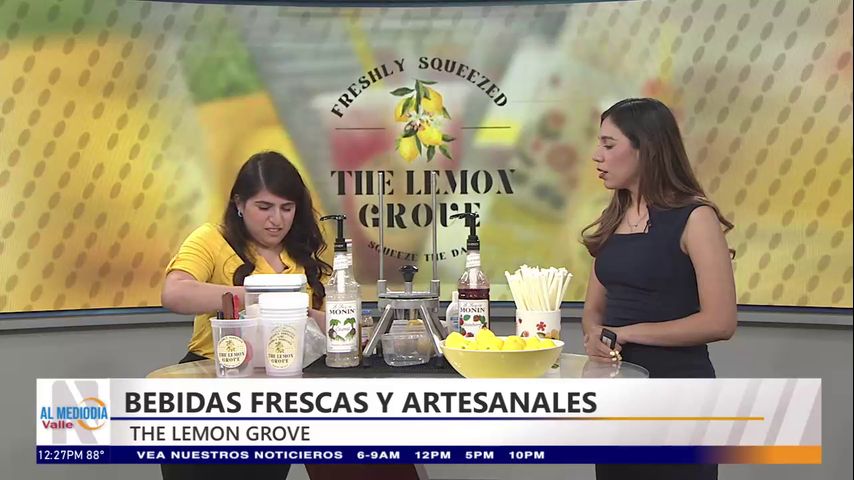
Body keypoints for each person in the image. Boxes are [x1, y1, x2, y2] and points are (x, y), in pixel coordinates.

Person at [580, 98, 737, 480]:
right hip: (618, 395)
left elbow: (720, 322)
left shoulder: (696, 218)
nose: (597, 156)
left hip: (678, 394)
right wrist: (595, 337)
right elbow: (594, 312)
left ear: (645, 148)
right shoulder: (613, 219)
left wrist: (628, 333)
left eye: (609, 145)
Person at [160, 151, 332, 479]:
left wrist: (307, 312)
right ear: (239, 204)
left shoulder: (303, 255)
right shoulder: (213, 239)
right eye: (264, 207)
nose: (276, 220)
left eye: (287, 208)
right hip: (210, 390)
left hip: (276, 400)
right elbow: (175, 293)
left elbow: (327, 326)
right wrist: (257, 296)